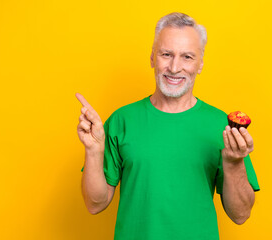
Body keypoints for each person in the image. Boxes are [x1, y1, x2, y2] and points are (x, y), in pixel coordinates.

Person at [76, 12, 260, 240]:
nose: (174, 67)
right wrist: (93, 151)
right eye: (166, 54)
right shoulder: (121, 120)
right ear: (152, 57)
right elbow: (95, 204)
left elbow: (240, 214)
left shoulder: (222, 126)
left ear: (200, 64)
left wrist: (234, 163)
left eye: (187, 57)